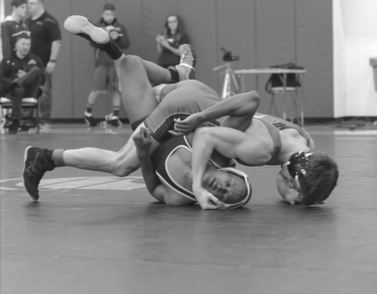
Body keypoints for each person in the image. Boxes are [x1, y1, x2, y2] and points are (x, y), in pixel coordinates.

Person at [22, 15, 251, 210]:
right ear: (231, 171)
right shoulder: (220, 153)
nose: (224, 188)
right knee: (121, 164)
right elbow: (250, 103)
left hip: (151, 123)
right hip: (178, 109)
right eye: (230, 183)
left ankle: (116, 49)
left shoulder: (179, 197)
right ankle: (44, 158)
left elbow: (153, 188)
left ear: (221, 204)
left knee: (130, 64)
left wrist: (142, 153)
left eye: (228, 196)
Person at [171, 93, 339, 206]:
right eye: (294, 185)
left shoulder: (306, 141)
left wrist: (305, 194)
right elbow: (204, 136)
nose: (290, 188)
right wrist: (197, 188)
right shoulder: (260, 150)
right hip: (183, 110)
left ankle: (179, 72)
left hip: (204, 97)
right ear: (294, 167)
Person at [84, 3, 130, 127]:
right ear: (103, 14)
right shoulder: (97, 26)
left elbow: (126, 44)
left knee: (116, 90)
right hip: (102, 63)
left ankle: (114, 116)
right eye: (107, 14)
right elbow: (92, 43)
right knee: (97, 88)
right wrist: (104, 34)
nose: (109, 16)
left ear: (114, 15)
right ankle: (87, 114)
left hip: (115, 63)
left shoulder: (120, 27)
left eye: (111, 14)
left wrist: (117, 38)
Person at [26, 0, 61, 132]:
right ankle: (27, 121)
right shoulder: (28, 22)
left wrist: (52, 60)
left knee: (44, 92)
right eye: (28, 4)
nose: (29, 6)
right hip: (27, 65)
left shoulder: (49, 21)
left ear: (40, 4)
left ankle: (45, 121)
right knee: (28, 93)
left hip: (44, 64)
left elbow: (56, 42)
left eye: (32, 3)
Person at [0, 33, 44, 134]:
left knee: (36, 69)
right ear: (16, 45)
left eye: (28, 44)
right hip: (12, 91)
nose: (26, 47)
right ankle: (15, 120)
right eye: (23, 44)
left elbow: (43, 80)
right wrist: (12, 82)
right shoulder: (7, 60)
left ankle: (17, 83)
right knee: (18, 88)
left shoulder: (35, 59)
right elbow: (1, 77)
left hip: (30, 90)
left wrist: (27, 75)